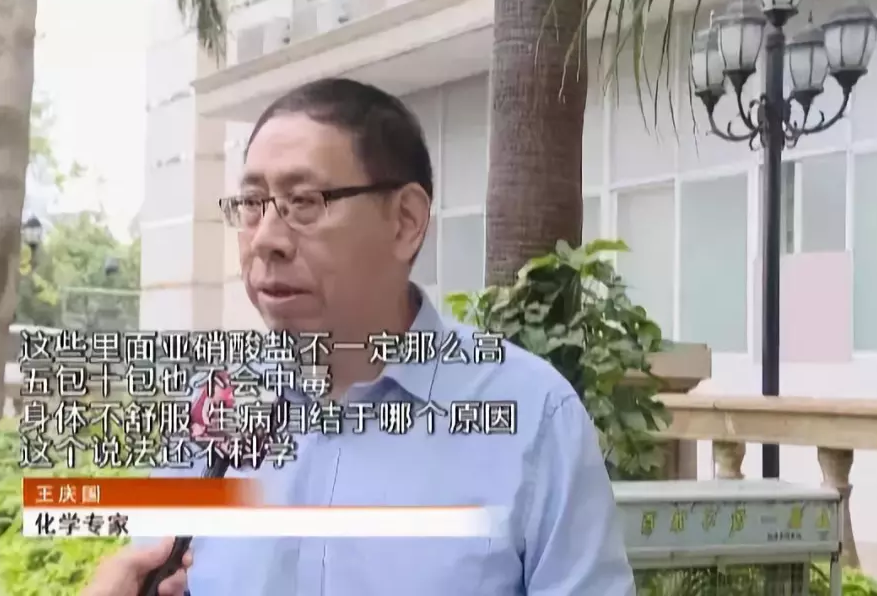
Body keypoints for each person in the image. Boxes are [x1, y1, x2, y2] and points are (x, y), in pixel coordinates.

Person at [84, 77, 635, 596]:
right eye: (252, 204)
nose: (267, 239)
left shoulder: (533, 418)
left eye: (305, 203)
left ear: (405, 222)